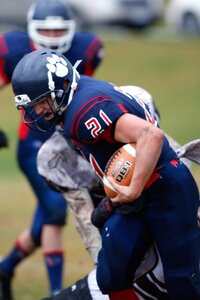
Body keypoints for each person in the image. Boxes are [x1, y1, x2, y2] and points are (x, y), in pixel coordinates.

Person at [11, 48, 200, 300]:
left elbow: (151, 135)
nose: (33, 112)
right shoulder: (75, 96)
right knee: (110, 274)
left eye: (39, 103)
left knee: (181, 282)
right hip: (141, 194)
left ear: (60, 88)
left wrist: (132, 190)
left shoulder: (83, 111)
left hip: (164, 189)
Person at [0, 0, 104, 298]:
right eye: (46, 28)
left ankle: (5, 268)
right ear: (32, 27)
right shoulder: (12, 48)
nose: (53, 34)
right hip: (33, 143)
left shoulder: (86, 49)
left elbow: (85, 89)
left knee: (46, 215)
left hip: (69, 143)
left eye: (59, 28)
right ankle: (57, 291)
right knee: (56, 210)